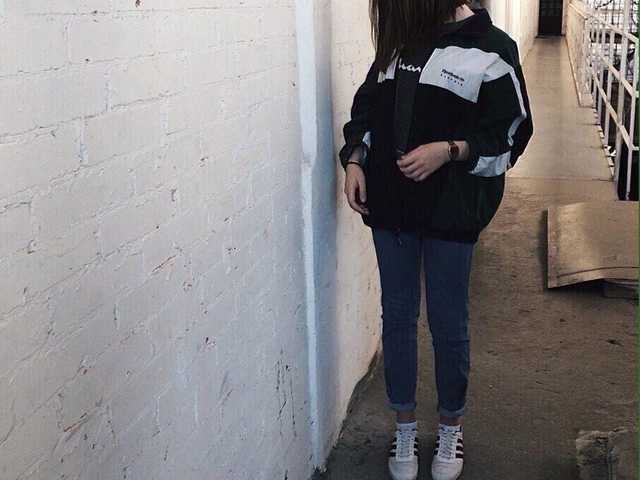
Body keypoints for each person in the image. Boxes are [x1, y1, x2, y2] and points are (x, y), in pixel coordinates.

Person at [338, 2, 534, 480]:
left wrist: (449, 151)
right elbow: (366, 110)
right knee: (398, 318)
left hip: (452, 212)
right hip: (391, 210)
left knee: (448, 323)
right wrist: (356, 159)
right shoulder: (400, 44)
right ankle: (404, 425)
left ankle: (451, 425)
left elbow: (511, 135)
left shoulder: (493, 51)